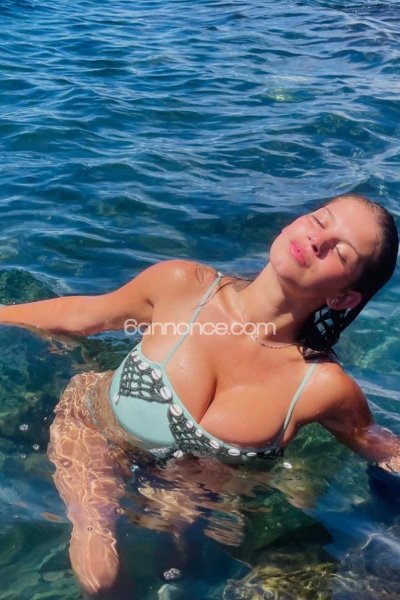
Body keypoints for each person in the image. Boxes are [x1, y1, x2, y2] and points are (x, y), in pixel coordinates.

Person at [1, 193, 400, 595]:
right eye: (320, 219)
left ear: (342, 298)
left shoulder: (320, 386)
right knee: (101, 571)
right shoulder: (183, 288)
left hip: (190, 483)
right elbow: (82, 316)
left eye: (341, 251)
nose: (318, 239)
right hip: (96, 429)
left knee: (180, 568)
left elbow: (376, 444)